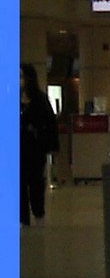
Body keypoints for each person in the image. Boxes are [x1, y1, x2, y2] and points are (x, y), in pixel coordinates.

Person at [21, 64, 58, 225]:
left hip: (35, 148)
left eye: (21, 76)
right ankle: (21, 218)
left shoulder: (40, 99)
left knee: (35, 182)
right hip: (17, 148)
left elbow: (50, 123)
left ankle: (38, 214)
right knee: (19, 183)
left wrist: (52, 145)